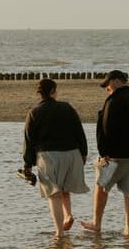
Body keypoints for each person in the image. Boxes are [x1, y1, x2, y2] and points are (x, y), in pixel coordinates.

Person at [80, 70, 129, 238]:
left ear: (116, 81)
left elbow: (105, 129)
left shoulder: (113, 101)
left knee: (101, 186)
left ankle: (96, 223)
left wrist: (104, 154)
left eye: (107, 84)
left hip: (117, 155)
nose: (106, 88)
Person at [20, 77, 88, 236]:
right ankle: (68, 215)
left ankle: (59, 233)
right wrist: (83, 153)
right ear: (53, 91)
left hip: (48, 156)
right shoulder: (67, 108)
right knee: (64, 188)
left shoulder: (34, 112)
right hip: (71, 153)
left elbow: (28, 141)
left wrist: (27, 165)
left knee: (53, 194)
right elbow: (79, 131)